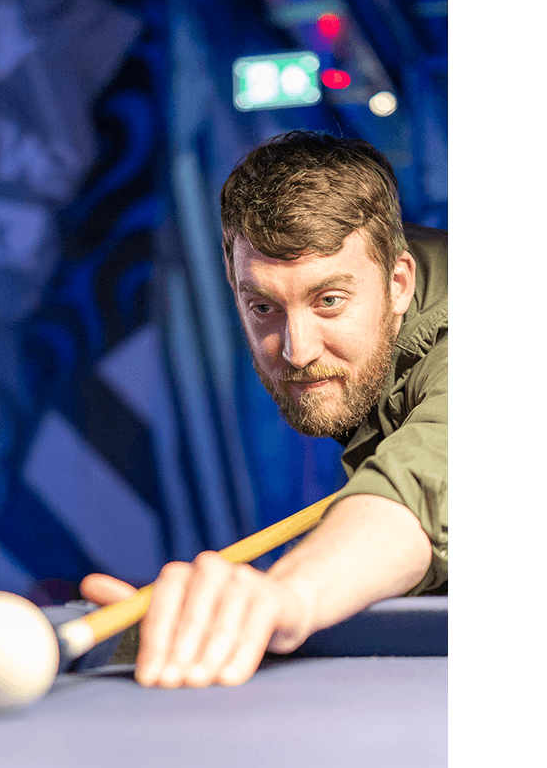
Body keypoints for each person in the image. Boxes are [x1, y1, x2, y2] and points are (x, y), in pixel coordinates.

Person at [80, 130, 447, 688]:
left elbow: (420, 488)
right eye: (263, 306)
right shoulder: (373, 304)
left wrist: (287, 596)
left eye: (329, 301)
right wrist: (214, 621)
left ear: (399, 283)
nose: (298, 349)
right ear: (233, 286)